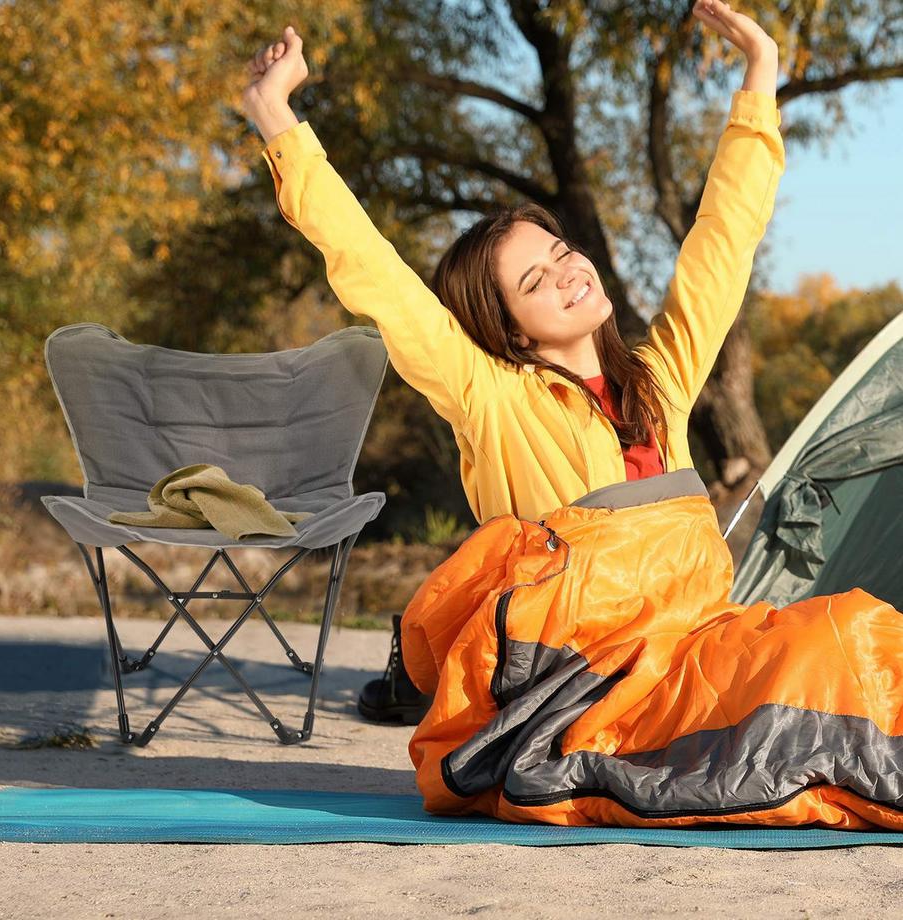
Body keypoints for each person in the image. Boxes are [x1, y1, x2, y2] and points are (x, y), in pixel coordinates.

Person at [240, 1, 779, 724]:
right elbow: (375, 272)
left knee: (851, 647)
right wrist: (277, 119)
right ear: (512, 332)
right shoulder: (491, 399)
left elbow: (724, 242)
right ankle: (430, 654)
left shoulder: (660, 384)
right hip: (576, 686)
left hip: (684, 656)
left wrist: (759, 74)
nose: (567, 272)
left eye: (560, 253)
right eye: (534, 281)